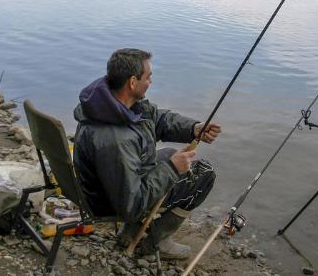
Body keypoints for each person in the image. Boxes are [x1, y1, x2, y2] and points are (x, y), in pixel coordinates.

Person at [73, 48, 222, 259]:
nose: (151, 81)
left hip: (108, 187)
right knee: (203, 175)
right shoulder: (117, 140)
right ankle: (156, 242)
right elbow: (130, 205)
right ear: (132, 82)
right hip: (111, 203)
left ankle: (131, 231)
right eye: (148, 76)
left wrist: (194, 129)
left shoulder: (111, 103)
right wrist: (172, 169)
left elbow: (157, 119)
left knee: (170, 153)